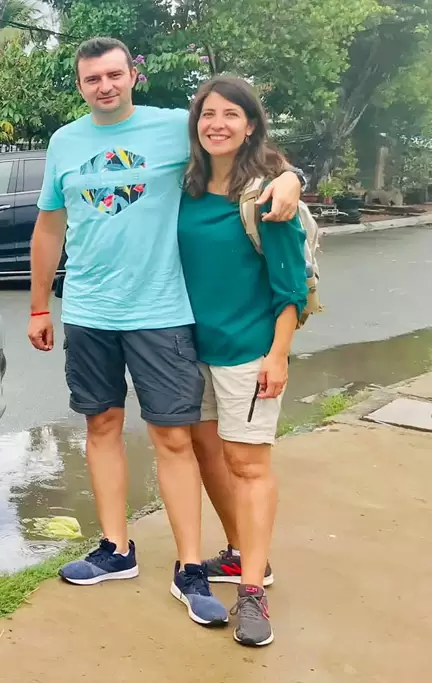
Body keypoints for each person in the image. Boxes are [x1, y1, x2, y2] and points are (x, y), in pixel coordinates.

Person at [26, 37, 303, 627]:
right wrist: (37, 307)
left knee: (173, 437)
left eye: (113, 75)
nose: (104, 86)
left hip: (159, 311)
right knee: (99, 424)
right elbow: (49, 228)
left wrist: (292, 178)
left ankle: (189, 566)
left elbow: (238, 146)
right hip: (90, 311)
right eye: (91, 78)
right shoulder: (65, 142)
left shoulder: (175, 126)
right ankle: (115, 548)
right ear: (81, 85)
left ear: (133, 76)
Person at [177, 74, 307, 647]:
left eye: (231, 114)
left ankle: (252, 591)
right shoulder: (186, 187)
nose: (218, 124)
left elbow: (291, 289)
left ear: (250, 124)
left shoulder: (264, 198)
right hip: (189, 349)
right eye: (208, 114)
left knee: (249, 466)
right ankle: (239, 553)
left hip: (248, 353)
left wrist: (277, 355)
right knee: (207, 454)